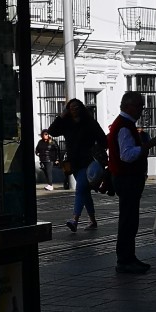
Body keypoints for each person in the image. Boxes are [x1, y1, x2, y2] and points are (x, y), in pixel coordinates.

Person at [107, 92, 156, 274]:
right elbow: (127, 155)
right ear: (127, 106)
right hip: (126, 178)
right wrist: (147, 145)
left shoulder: (123, 124)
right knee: (128, 220)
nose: (141, 109)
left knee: (129, 219)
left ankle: (128, 256)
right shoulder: (124, 126)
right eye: (139, 106)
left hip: (126, 178)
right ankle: (125, 259)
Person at [48, 98, 107, 232]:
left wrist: (96, 149)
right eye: (71, 107)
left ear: (81, 108)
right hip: (74, 163)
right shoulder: (67, 123)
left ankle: (75, 220)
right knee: (85, 192)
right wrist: (61, 117)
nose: (74, 109)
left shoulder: (90, 123)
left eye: (77, 107)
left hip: (88, 162)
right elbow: (52, 131)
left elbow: (103, 140)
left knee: (80, 188)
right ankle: (92, 221)